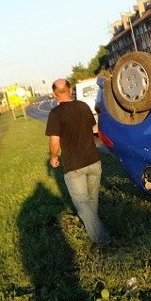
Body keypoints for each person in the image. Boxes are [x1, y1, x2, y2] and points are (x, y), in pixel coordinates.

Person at [45, 78, 111, 245]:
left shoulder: (55, 114)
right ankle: (93, 227)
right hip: (93, 161)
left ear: (54, 95)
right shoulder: (83, 106)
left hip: (74, 166)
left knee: (82, 204)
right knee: (92, 200)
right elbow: (93, 129)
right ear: (70, 89)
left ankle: (102, 239)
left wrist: (53, 157)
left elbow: (54, 141)